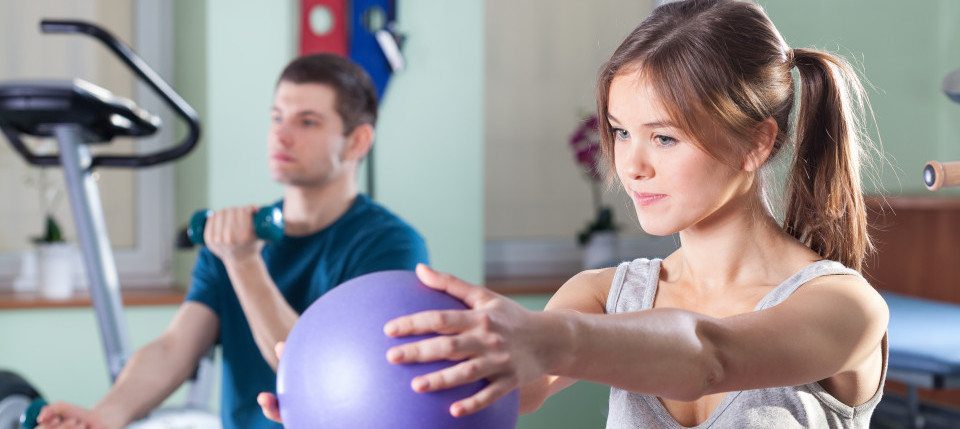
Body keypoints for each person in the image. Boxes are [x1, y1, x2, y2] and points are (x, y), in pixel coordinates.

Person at [270, 0, 892, 427]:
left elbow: (711, 355)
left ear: (757, 142)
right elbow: (503, 391)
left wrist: (550, 338)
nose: (632, 165)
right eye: (621, 132)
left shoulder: (844, 309)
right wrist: (344, 395)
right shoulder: (603, 295)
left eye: (666, 137)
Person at [36, 54, 429, 429]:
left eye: (307, 122)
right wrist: (104, 416)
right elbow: (175, 350)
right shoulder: (232, 238)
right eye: (277, 117)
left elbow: (326, 373)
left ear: (358, 141)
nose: (281, 134)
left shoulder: (389, 245)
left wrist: (243, 263)